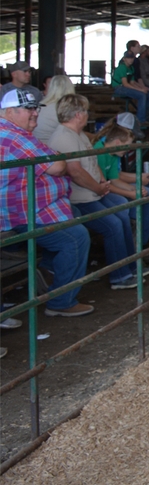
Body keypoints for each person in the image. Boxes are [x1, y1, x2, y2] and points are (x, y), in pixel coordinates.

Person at [1, 89, 94, 317]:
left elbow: (52, 159)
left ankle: (49, 271)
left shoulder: (19, 133)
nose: (35, 114)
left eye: (35, 108)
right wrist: (55, 160)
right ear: (10, 112)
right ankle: (61, 301)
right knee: (76, 237)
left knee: (74, 213)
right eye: (29, 109)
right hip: (21, 212)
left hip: (34, 206)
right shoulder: (14, 136)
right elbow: (58, 166)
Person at [48, 94, 149, 289]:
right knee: (113, 224)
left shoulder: (78, 135)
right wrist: (98, 186)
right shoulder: (64, 137)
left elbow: (92, 164)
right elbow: (76, 172)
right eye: (85, 111)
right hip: (80, 198)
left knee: (121, 217)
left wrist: (101, 182)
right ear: (78, 114)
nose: (87, 115)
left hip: (93, 192)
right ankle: (119, 276)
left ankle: (131, 265)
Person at [94, 121, 149, 250]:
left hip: (107, 187)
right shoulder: (100, 152)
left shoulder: (112, 153)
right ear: (118, 142)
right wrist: (131, 193)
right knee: (125, 201)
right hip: (99, 191)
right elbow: (104, 183)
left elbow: (114, 178)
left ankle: (139, 242)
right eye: (127, 145)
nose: (128, 149)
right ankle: (132, 245)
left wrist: (134, 188)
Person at [112, 51, 149, 123]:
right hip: (119, 87)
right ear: (124, 59)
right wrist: (140, 90)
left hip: (125, 86)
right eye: (128, 58)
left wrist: (143, 87)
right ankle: (140, 120)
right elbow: (125, 84)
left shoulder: (131, 68)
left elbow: (132, 82)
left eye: (132, 58)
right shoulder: (122, 68)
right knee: (142, 95)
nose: (130, 60)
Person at [33, 74, 76, 143]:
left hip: (37, 145)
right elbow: (75, 133)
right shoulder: (64, 107)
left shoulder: (41, 105)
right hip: (52, 148)